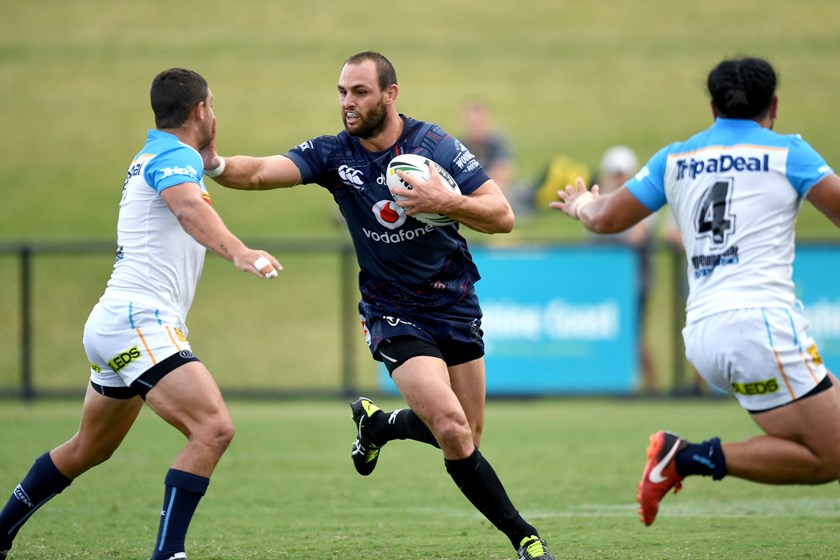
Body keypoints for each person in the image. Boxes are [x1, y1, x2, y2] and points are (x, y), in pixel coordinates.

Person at [201, 51, 554, 560]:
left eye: (360, 92)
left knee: (468, 433)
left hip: (454, 300)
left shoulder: (434, 145)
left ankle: (379, 425)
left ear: (390, 95)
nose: (348, 102)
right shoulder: (333, 155)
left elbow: (502, 216)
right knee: (452, 428)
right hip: (392, 309)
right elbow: (258, 172)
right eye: (342, 92)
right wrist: (214, 163)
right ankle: (526, 538)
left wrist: (443, 201)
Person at [0, 68, 281, 560]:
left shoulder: (157, 155)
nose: (214, 114)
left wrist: (209, 160)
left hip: (115, 321)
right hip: (138, 320)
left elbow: (186, 197)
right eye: (212, 105)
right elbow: (189, 210)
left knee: (89, 448)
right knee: (212, 428)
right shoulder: (174, 156)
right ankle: (168, 554)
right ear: (201, 110)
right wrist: (239, 251)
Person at [550, 56, 840, 527]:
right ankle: (682, 457)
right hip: (758, 328)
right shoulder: (789, 152)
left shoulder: (675, 158)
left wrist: (582, 201)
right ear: (774, 107)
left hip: (704, 334)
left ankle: (681, 457)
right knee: (831, 456)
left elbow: (604, 219)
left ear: (713, 108)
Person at [591, 145, 659, 393]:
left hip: (636, 281)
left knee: (633, 335)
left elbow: (636, 237)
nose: (619, 179)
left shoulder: (641, 201)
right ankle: (621, 383)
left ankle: (651, 386)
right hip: (610, 283)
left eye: (622, 174)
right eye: (615, 174)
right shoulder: (604, 204)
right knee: (617, 334)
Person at [461, 99, 514, 192]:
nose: (475, 129)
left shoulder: (497, 144)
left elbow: (503, 173)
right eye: (472, 124)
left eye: (478, 124)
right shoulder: (460, 146)